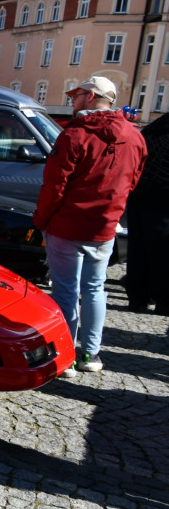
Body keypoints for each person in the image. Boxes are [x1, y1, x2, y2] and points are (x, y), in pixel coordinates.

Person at [33, 76, 146, 378]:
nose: (71, 99)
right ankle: (90, 354)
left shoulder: (75, 135)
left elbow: (54, 186)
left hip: (68, 226)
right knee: (95, 289)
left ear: (91, 96)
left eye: (76, 94)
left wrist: (41, 220)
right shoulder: (134, 137)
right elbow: (132, 181)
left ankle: (67, 355)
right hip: (103, 227)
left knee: (66, 292)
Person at [125, 111, 169, 314]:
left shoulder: (151, 130)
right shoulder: (157, 132)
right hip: (160, 201)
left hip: (140, 196)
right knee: (161, 253)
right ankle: (162, 300)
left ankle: (138, 297)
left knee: (139, 250)